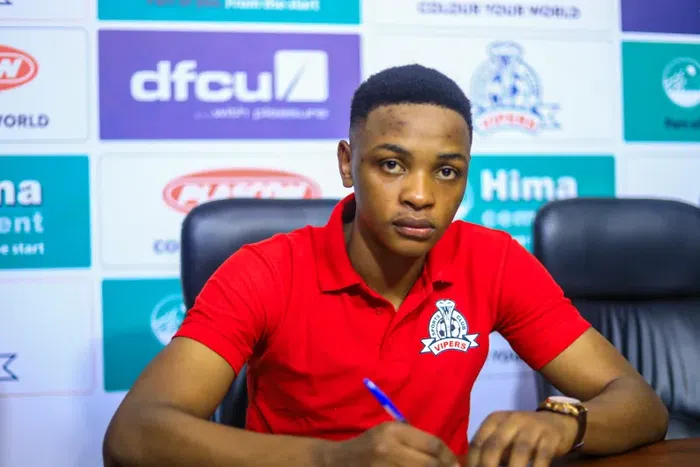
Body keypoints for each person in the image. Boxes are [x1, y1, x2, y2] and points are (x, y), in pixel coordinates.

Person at [103, 64, 668, 467]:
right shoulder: (266, 271)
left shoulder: (492, 261)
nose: (420, 195)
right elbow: (133, 433)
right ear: (347, 164)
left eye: (446, 172)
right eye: (392, 165)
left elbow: (640, 404)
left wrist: (566, 423)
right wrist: (333, 459)